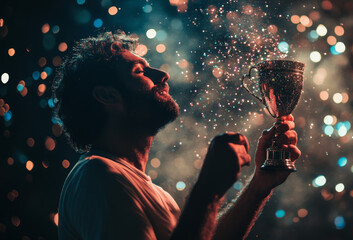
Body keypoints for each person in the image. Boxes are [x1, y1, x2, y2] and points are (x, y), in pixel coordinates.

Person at [53, 31, 301, 240]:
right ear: (107, 96)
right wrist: (208, 190)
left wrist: (259, 184)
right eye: (140, 71)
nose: (162, 76)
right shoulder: (97, 176)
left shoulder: (151, 191)